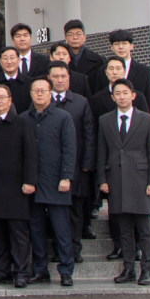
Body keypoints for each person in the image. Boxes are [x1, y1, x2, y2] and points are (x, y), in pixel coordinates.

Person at [99, 76, 150, 285]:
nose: (122, 97)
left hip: (141, 181)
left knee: (144, 231)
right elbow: (102, 153)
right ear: (113, 97)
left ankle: (147, 270)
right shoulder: (105, 120)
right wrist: (102, 180)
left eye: (125, 93)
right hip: (116, 181)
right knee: (123, 230)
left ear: (133, 96)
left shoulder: (148, 120)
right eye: (117, 93)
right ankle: (128, 269)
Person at [0, 83, 38, 288]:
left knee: (18, 234)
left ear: (9, 100)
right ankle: (1, 270)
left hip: (16, 188)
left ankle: (22, 272)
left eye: (2, 97)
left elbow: (31, 155)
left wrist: (29, 181)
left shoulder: (22, 124)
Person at [25, 77, 78, 287]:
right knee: (36, 231)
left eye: (43, 91)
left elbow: (69, 148)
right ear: (30, 93)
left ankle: (66, 271)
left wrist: (66, 176)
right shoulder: (23, 118)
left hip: (57, 182)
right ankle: (40, 270)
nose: (39, 94)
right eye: (35, 91)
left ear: (50, 93)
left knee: (61, 230)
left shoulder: (63, 117)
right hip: (33, 184)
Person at [47, 62, 96, 250]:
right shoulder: (43, 100)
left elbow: (89, 134)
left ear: (69, 78)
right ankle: (58, 249)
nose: (60, 80)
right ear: (49, 79)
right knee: (55, 211)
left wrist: (87, 164)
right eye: (55, 76)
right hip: (50, 168)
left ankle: (74, 249)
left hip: (77, 167)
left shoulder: (81, 102)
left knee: (76, 211)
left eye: (63, 76)